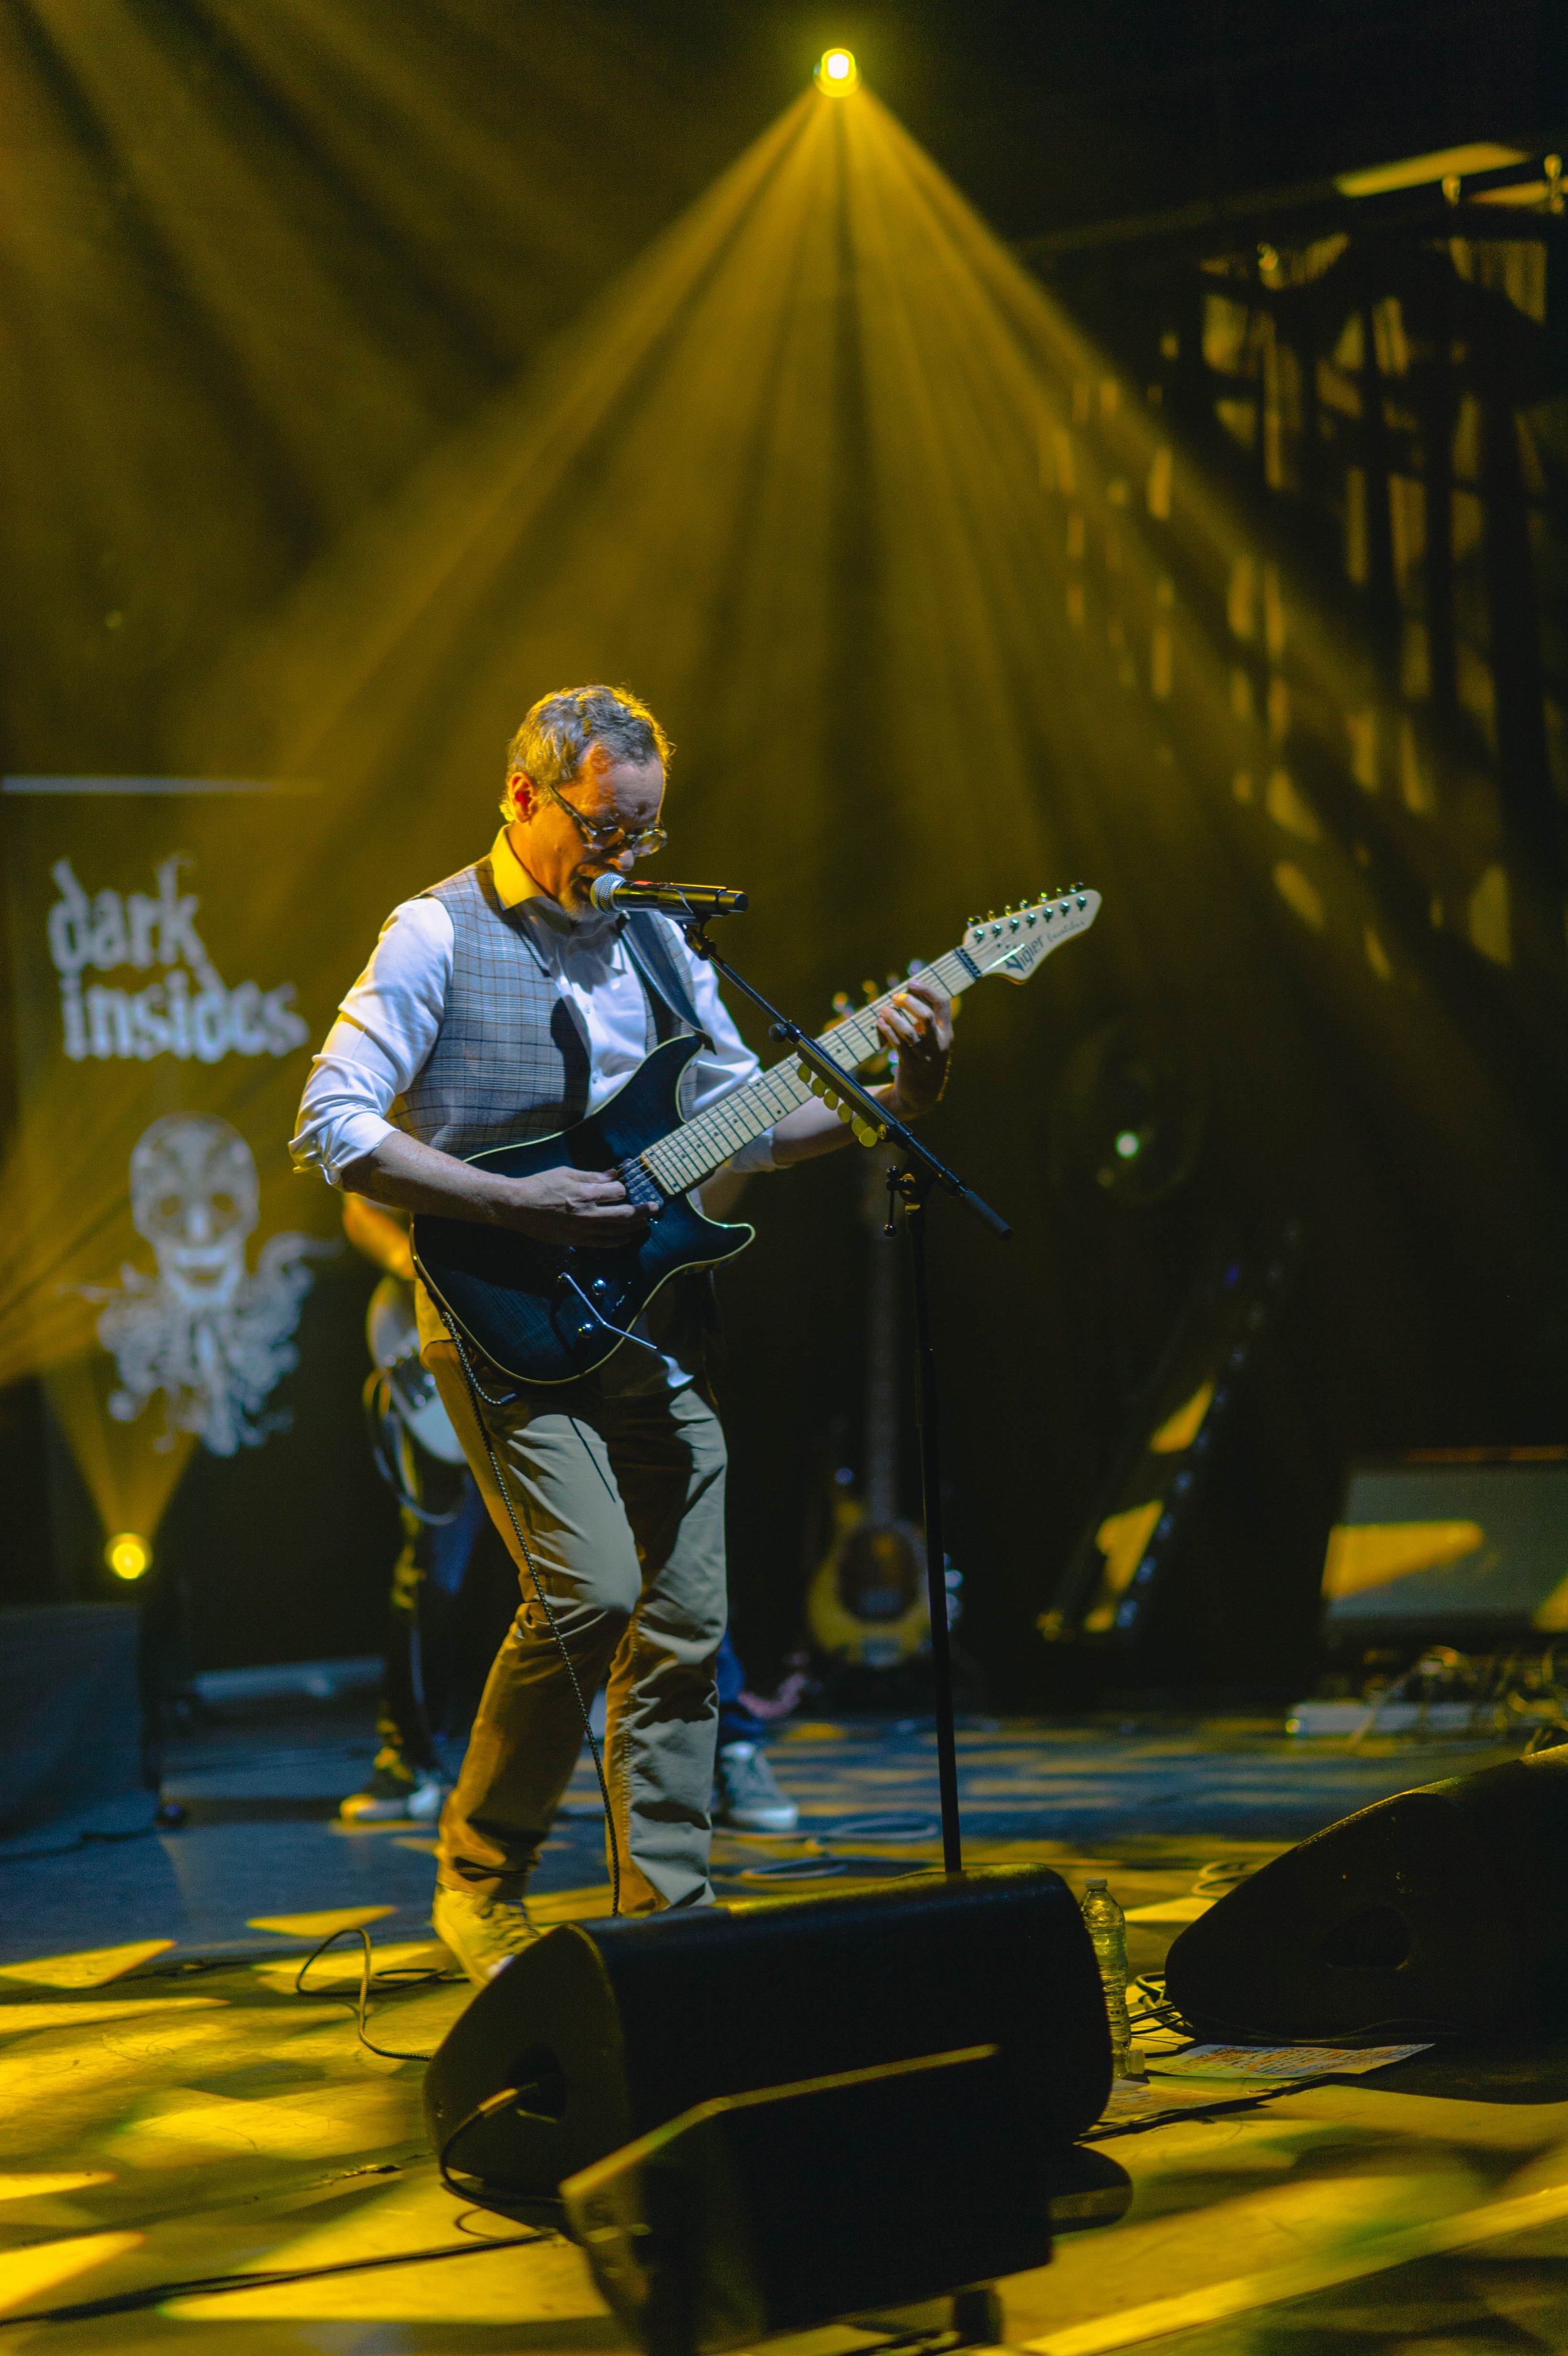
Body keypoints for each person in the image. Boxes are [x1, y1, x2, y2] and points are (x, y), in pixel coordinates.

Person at [290, 684, 951, 1986]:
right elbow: (329, 1125)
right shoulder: (432, 933)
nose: (629, 860)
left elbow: (741, 1131)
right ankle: (480, 1876)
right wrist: (508, 1197)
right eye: (605, 830)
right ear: (526, 796)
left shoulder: (659, 944)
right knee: (587, 1591)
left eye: (644, 835)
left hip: (645, 1319)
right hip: (494, 1318)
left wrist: (896, 1094)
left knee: (688, 1619)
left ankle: (670, 1921)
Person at [337, 1194, 511, 1824]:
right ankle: (408, 1759)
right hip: (446, 1361)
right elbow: (361, 1206)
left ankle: (713, 1751)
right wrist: (412, 1266)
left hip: (536, 1362)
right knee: (437, 1570)